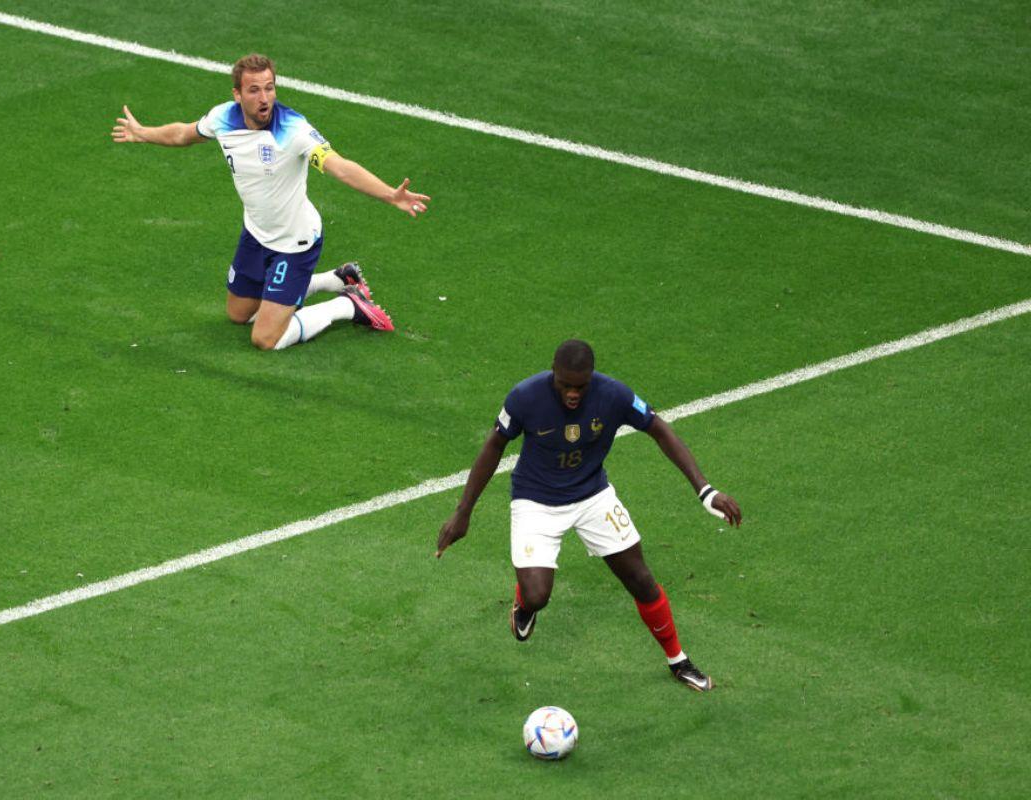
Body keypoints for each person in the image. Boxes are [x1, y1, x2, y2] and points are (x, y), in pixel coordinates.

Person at [436, 339, 743, 692]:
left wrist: (705, 491)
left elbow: (659, 430)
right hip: (535, 501)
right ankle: (525, 604)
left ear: (591, 378)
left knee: (641, 580)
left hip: (592, 496)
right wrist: (463, 513)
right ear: (553, 371)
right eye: (565, 384)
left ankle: (678, 660)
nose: (572, 394)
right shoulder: (525, 397)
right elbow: (494, 445)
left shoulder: (614, 395)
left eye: (580, 386)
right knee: (537, 595)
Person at [111, 53, 430, 350]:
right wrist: (144, 134)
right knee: (238, 314)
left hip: (295, 243)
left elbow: (340, 167)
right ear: (237, 94)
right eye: (254, 90)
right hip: (255, 233)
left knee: (265, 337)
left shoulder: (294, 130)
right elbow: (184, 134)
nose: (264, 98)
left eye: (269, 88)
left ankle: (346, 305)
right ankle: (335, 279)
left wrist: (389, 194)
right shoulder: (223, 117)